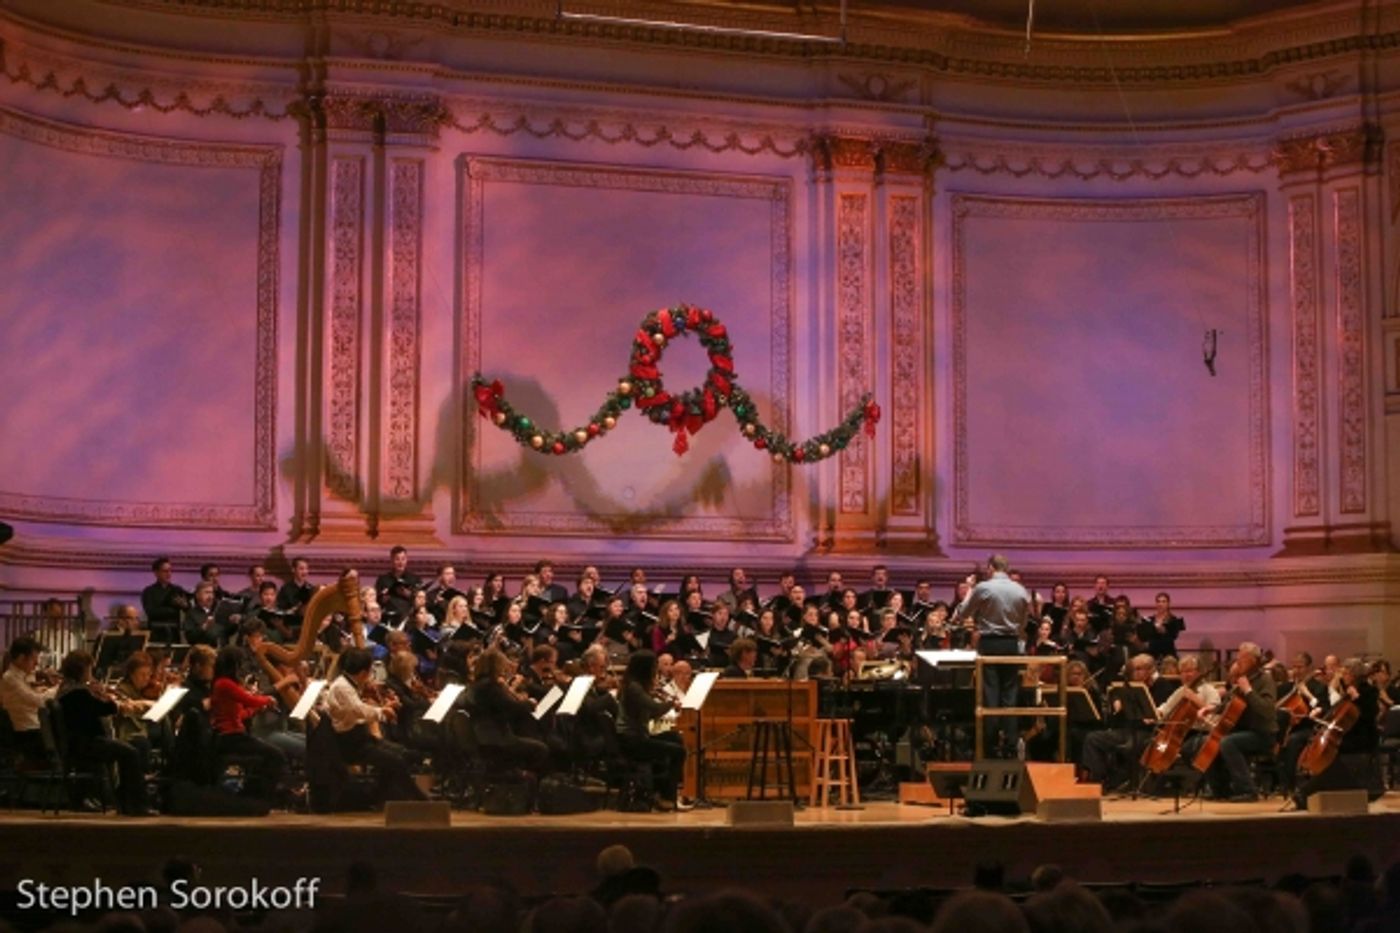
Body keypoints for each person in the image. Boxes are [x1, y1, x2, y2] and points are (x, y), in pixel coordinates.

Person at [324, 647, 426, 804]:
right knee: (396, 759)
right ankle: (418, 799)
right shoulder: (342, 686)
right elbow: (359, 710)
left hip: (359, 737)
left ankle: (380, 795)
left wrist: (383, 706)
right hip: (349, 743)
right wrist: (382, 711)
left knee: (403, 753)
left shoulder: (349, 683)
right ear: (364, 672)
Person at [55, 650, 149, 815]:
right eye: (89, 669)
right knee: (131, 753)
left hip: (82, 742)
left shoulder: (68, 689)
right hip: (86, 744)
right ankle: (135, 805)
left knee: (129, 750)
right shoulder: (77, 693)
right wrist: (105, 697)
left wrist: (97, 693)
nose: (91, 674)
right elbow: (106, 708)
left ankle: (127, 803)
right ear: (82, 670)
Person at [955, 554, 1030, 758]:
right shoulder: (1020, 589)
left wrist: (970, 589)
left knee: (990, 694)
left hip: (989, 642)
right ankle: (1012, 744)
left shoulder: (984, 587)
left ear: (990, 568)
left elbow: (963, 613)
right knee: (1010, 693)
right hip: (1012, 644)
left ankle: (988, 746)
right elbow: (1024, 623)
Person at [616, 650, 689, 811]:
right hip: (632, 741)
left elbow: (648, 714)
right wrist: (671, 703)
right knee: (679, 752)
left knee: (674, 737)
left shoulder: (636, 685)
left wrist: (657, 695)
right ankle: (666, 797)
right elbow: (654, 710)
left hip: (638, 736)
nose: (655, 671)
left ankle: (662, 791)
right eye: (654, 667)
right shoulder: (634, 688)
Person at [208, 646, 286, 800]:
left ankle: (255, 795)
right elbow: (248, 699)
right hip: (229, 738)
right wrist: (267, 700)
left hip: (235, 735)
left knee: (272, 755)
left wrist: (256, 709)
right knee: (276, 756)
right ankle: (260, 796)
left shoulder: (225, 683)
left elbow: (241, 713)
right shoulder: (224, 683)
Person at [0, 635, 57, 766]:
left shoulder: (22, 675)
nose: (36, 664)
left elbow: (34, 694)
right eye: (33, 660)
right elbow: (39, 701)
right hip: (28, 734)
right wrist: (59, 688)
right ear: (21, 658)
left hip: (35, 728)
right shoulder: (10, 678)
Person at [142, 557, 190, 643]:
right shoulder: (148, 591)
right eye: (165, 571)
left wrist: (185, 606)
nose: (169, 574)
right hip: (155, 633)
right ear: (156, 573)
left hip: (174, 632)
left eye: (170, 570)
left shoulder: (177, 590)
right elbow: (151, 612)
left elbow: (189, 609)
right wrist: (173, 609)